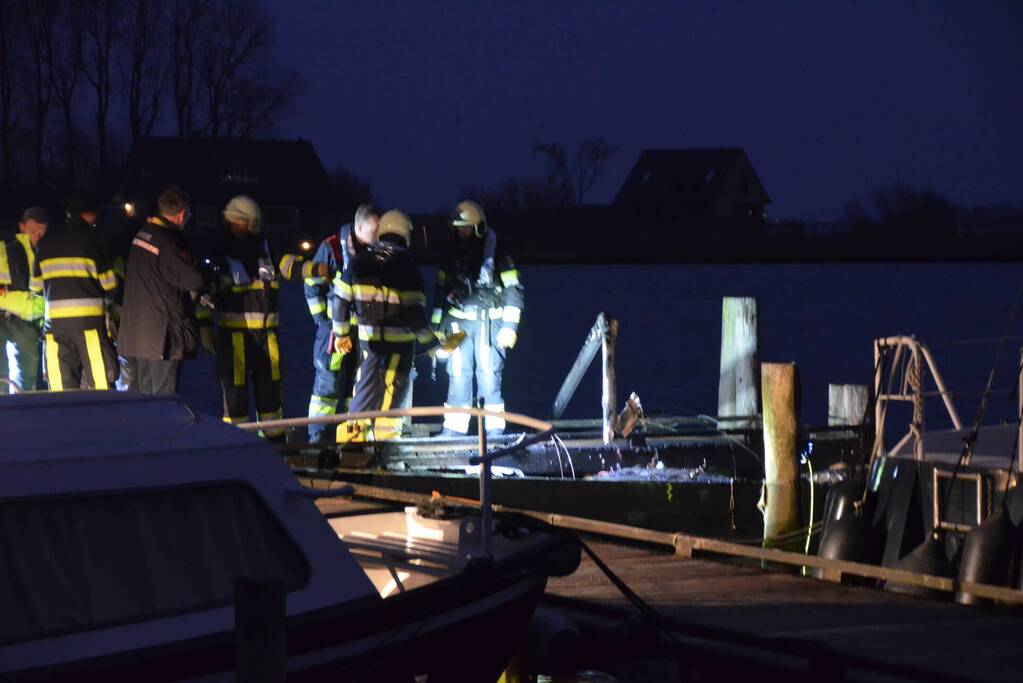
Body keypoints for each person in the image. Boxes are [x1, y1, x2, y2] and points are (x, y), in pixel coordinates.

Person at [331, 209, 448, 442]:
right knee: (393, 397)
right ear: (406, 235)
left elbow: (340, 301)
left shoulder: (358, 263)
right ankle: (386, 446)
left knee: (364, 390)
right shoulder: (408, 268)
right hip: (400, 348)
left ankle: (351, 446)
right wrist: (432, 344)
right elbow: (415, 314)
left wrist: (341, 334)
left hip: (369, 344)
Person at [201, 195, 291, 438]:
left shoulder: (267, 247)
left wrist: (315, 268)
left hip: (267, 338)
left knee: (270, 396)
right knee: (235, 400)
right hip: (234, 340)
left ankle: (275, 445)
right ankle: (236, 446)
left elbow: (289, 265)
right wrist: (205, 326)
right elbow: (203, 293)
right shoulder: (220, 252)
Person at [432, 200, 524, 435]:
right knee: (457, 374)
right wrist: (436, 326)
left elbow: (514, 288)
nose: (461, 233)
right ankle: (454, 429)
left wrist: (510, 327)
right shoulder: (449, 253)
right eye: (458, 229)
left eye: (466, 228)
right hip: (457, 324)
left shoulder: (497, 253)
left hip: (488, 324)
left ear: (478, 228)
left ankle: (494, 430)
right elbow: (441, 291)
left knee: (489, 375)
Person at [117, 187, 204, 395]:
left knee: (145, 398)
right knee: (164, 399)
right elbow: (195, 281)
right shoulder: (166, 243)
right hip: (161, 338)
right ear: (181, 214)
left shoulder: (142, 235)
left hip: (138, 334)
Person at [304, 203, 379, 442]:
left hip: (363, 331)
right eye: (374, 231)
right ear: (359, 227)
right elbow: (311, 285)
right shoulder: (332, 248)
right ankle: (317, 437)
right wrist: (323, 322)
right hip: (333, 332)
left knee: (358, 383)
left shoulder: (376, 251)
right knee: (327, 383)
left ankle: (351, 438)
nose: (378, 236)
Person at [32, 191, 119, 390]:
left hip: (55, 327)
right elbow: (110, 285)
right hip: (89, 325)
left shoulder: (45, 242)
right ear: (90, 215)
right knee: (100, 385)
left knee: (59, 389)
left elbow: (35, 287)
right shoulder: (94, 241)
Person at [0, 207, 47, 392]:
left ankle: (21, 408)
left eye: (41, 233)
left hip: (29, 321)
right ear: (22, 227)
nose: (37, 236)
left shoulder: (45, 252)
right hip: (6, 316)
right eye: (33, 230)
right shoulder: (6, 247)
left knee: (26, 380)